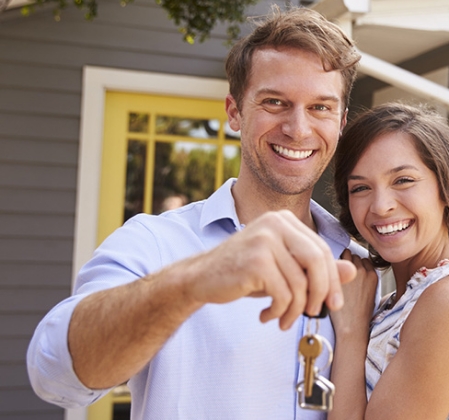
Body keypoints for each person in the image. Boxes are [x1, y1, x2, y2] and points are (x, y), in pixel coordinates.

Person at [27, 7, 367, 419]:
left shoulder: (363, 268)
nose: (298, 128)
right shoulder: (156, 243)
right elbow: (53, 375)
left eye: (320, 108)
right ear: (234, 112)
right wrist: (195, 280)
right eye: (275, 102)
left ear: (342, 122)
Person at [328, 103, 449, 419]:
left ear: (446, 187)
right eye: (361, 187)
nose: (380, 206)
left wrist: (352, 331)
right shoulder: (395, 303)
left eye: (403, 180)